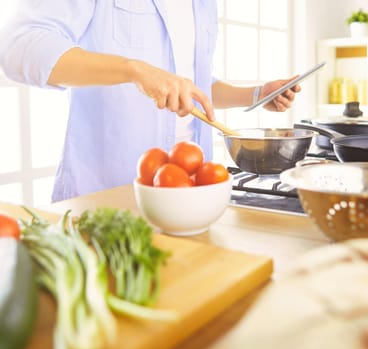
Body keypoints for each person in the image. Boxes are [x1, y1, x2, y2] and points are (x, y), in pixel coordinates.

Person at [0, 1, 300, 202]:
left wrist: (257, 94)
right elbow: (19, 45)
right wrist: (133, 69)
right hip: (108, 195)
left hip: (192, 193)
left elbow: (190, 86)